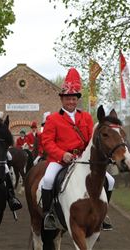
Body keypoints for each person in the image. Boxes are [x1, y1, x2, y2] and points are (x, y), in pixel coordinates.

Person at [41, 68, 95, 229]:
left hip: (82, 160)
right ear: (62, 100)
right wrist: (62, 154)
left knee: (109, 180)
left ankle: (101, 213)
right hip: (60, 159)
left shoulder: (86, 117)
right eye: (67, 99)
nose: (71, 102)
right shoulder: (53, 118)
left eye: (73, 98)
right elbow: (47, 142)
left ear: (77, 99)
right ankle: (48, 214)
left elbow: (91, 140)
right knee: (48, 180)